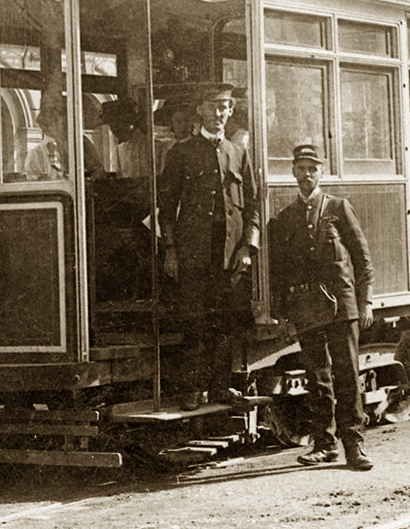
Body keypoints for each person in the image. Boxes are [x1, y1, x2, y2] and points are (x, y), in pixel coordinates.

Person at [271, 143, 375, 471]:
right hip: (306, 308)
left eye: (312, 169)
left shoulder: (338, 208)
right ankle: (324, 444)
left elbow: (362, 259)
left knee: (346, 375)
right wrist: (286, 315)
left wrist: (366, 300)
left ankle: (354, 446)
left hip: (342, 306)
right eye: (301, 168)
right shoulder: (286, 218)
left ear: (322, 172)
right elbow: (281, 272)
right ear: (293, 173)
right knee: (317, 378)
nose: (306, 175)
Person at [157, 83, 260, 410]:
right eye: (213, 106)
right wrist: (171, 250)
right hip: (194, 253)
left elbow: (254, 205)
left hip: (230, 255)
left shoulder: (238, 153)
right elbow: (167, 206)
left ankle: (220, 387)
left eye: (225, 106)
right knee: (195, 321)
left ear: (231, 112)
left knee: (225, 323)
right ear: (200, 110)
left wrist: (248, 247)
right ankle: (194, 388)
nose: (219, 113)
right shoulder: (181, 153)